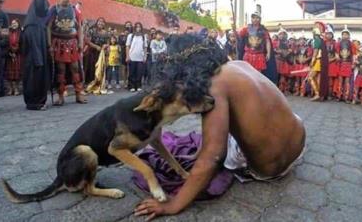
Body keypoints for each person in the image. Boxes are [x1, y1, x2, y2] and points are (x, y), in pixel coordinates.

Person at [134, 34, 306, 220]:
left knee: (214, 139)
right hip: (298, 143)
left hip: (270, 169)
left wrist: (173, 204)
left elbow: (214, 157)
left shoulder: (214, 86)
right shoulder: (239, 64)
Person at [47, 0, 87, 106]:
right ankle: (60, 96)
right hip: (58, 43)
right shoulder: (53, 9)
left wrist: (80, 42)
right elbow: (48, 27)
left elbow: (79, 27)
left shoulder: (75, 10)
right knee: (61, 69)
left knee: (75, 68)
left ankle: (78, 94)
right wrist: (49, 44)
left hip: (72, 43)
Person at [22, 0, 50, 110]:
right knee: (33, 80)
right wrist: (38, 59)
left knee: (39, 80)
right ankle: (33, 103)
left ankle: (39, 101)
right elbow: (33, 44)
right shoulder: (31, 24)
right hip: (34, 59)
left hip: (40, 57)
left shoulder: (38, 22)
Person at [238, 11, 277, 84]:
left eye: (257, 18)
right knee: (246, 72)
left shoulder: (263, 30)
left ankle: (257, 88)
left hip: (259, 55)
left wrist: (268, 52)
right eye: (253, 18)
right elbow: (238, 36)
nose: (255, 19)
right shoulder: (246, 29)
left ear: (260, 19)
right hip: (248, 54)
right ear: (251, 19)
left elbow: (267, 41)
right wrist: (234, 29)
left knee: (258, 74)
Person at [84, 17, 110, 84]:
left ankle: (98, 84)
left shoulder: (106, 33)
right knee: (91, 68)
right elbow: (87, 41)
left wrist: (106, 46)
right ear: (97, 23)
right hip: (92, 53)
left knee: (100, 68)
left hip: (101, 54)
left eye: (102, 22)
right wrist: (95, 46)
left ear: (104, 24)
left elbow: (108, 43)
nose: (100, 23)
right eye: (99, 21)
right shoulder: (92, 31)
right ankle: (90, 84)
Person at [307, 22, 329, 101]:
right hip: (321, 61)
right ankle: (321, 94)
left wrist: (312, 62)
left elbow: (315, 52)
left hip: (318, 61)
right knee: (318, 78)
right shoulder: (321, 39)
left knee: (310, 77)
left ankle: (317, 94)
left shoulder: (317, 39)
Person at [126, 22, 147, 92]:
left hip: (140, 58)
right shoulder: (130, 36)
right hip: (132, 57)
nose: (138, 28)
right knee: (132, 72)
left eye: (139, 27)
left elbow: (145, 47)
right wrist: (127, 56)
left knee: (139, 73)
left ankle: (138, 86)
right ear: (134, 28)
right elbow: (127, 46)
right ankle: (131, 86)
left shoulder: (144, 37)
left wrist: (145, 57)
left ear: (141, 28)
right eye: (137, 27)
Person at [336, 26, 353, 103]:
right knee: (340, 80)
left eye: (346, 34)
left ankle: (346, 97)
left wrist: (353, 63)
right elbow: (336, 51)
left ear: (349, 35)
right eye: (344, 34)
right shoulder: (339, 43)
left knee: (347, 81)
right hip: (341, 64)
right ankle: (339, 96)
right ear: (341, 35)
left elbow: (354, 54)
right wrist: (336, 55)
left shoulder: (351, 44)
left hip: (348, 64)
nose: (345, 36)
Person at [5, 18, 22, 96]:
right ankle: (10, 89)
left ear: (18, 24)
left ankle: (16, 89)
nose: (13, 24)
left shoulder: (21, 33)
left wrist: (16, 52)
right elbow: (6, 42)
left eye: (15, 23)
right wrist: (10, 52)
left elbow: (22, 43)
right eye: (12, 23)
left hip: (18, 55)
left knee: (17, 73)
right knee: (9, 73)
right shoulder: (8, 32)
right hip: (10, 55)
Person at [324, 24, 339, 99]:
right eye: (327, 34)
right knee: (324, 79)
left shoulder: (335, 43)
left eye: (330, 34)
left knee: (331, 80)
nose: (328, 35)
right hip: (324, 63)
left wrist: (331, 60)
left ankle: (331, 94)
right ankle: (325, 93)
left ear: (332, 35)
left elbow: (337, 55)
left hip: (332, 64)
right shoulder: (323, 43)